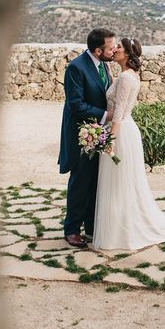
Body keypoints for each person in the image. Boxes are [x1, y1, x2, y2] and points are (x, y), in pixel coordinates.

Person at [92, 37, 165, 250]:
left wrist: (110, 140)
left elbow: (119, 111)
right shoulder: (130, 74)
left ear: (127, 54)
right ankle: (119, 228)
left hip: (121, 131)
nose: (114, 49)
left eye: (119, 47)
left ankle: (120, 233)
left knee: (118, 186)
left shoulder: (126, 77)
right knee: (121, 184)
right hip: (125, 129)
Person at [58, 28, 116, 248]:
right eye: (110, 47)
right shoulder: (76, 68)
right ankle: (71, 229)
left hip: (98, 133)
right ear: (98, 49)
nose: (114, 50)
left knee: (95, 181)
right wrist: (105, 115)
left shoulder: (104, 65)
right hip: (81, 134)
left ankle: (91, 226)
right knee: (80, 182)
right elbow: (76, 104)